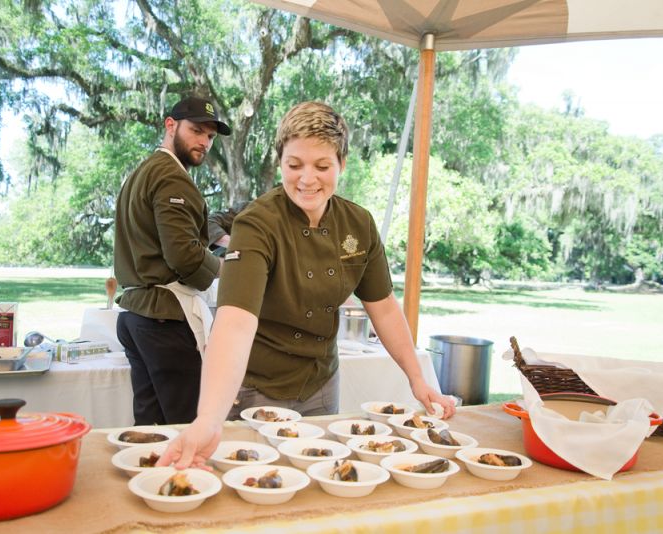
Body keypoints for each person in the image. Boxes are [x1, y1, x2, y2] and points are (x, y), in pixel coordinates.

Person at [158, 101, 455, 468]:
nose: (307, 179)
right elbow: (234, 323)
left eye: (322, 166)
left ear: (342, 164)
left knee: (319, 478)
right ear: (280, 162)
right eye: (294, 165)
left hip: (321, 387)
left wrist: (418, 378)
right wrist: (208, 419)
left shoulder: (358, 224)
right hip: (256, 392)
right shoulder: (257, 224)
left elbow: (385, 308)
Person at [114, 95, 231, 425]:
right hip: (163, 318)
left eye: (209, 137)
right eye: (196, 131)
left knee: (150, 427)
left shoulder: (141, 172)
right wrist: (230, 266)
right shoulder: (171, 176)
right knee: (189, 425)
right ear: (170, 124)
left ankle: (147, 478)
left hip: (136, 316)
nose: (204, 143)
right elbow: (185, 257)